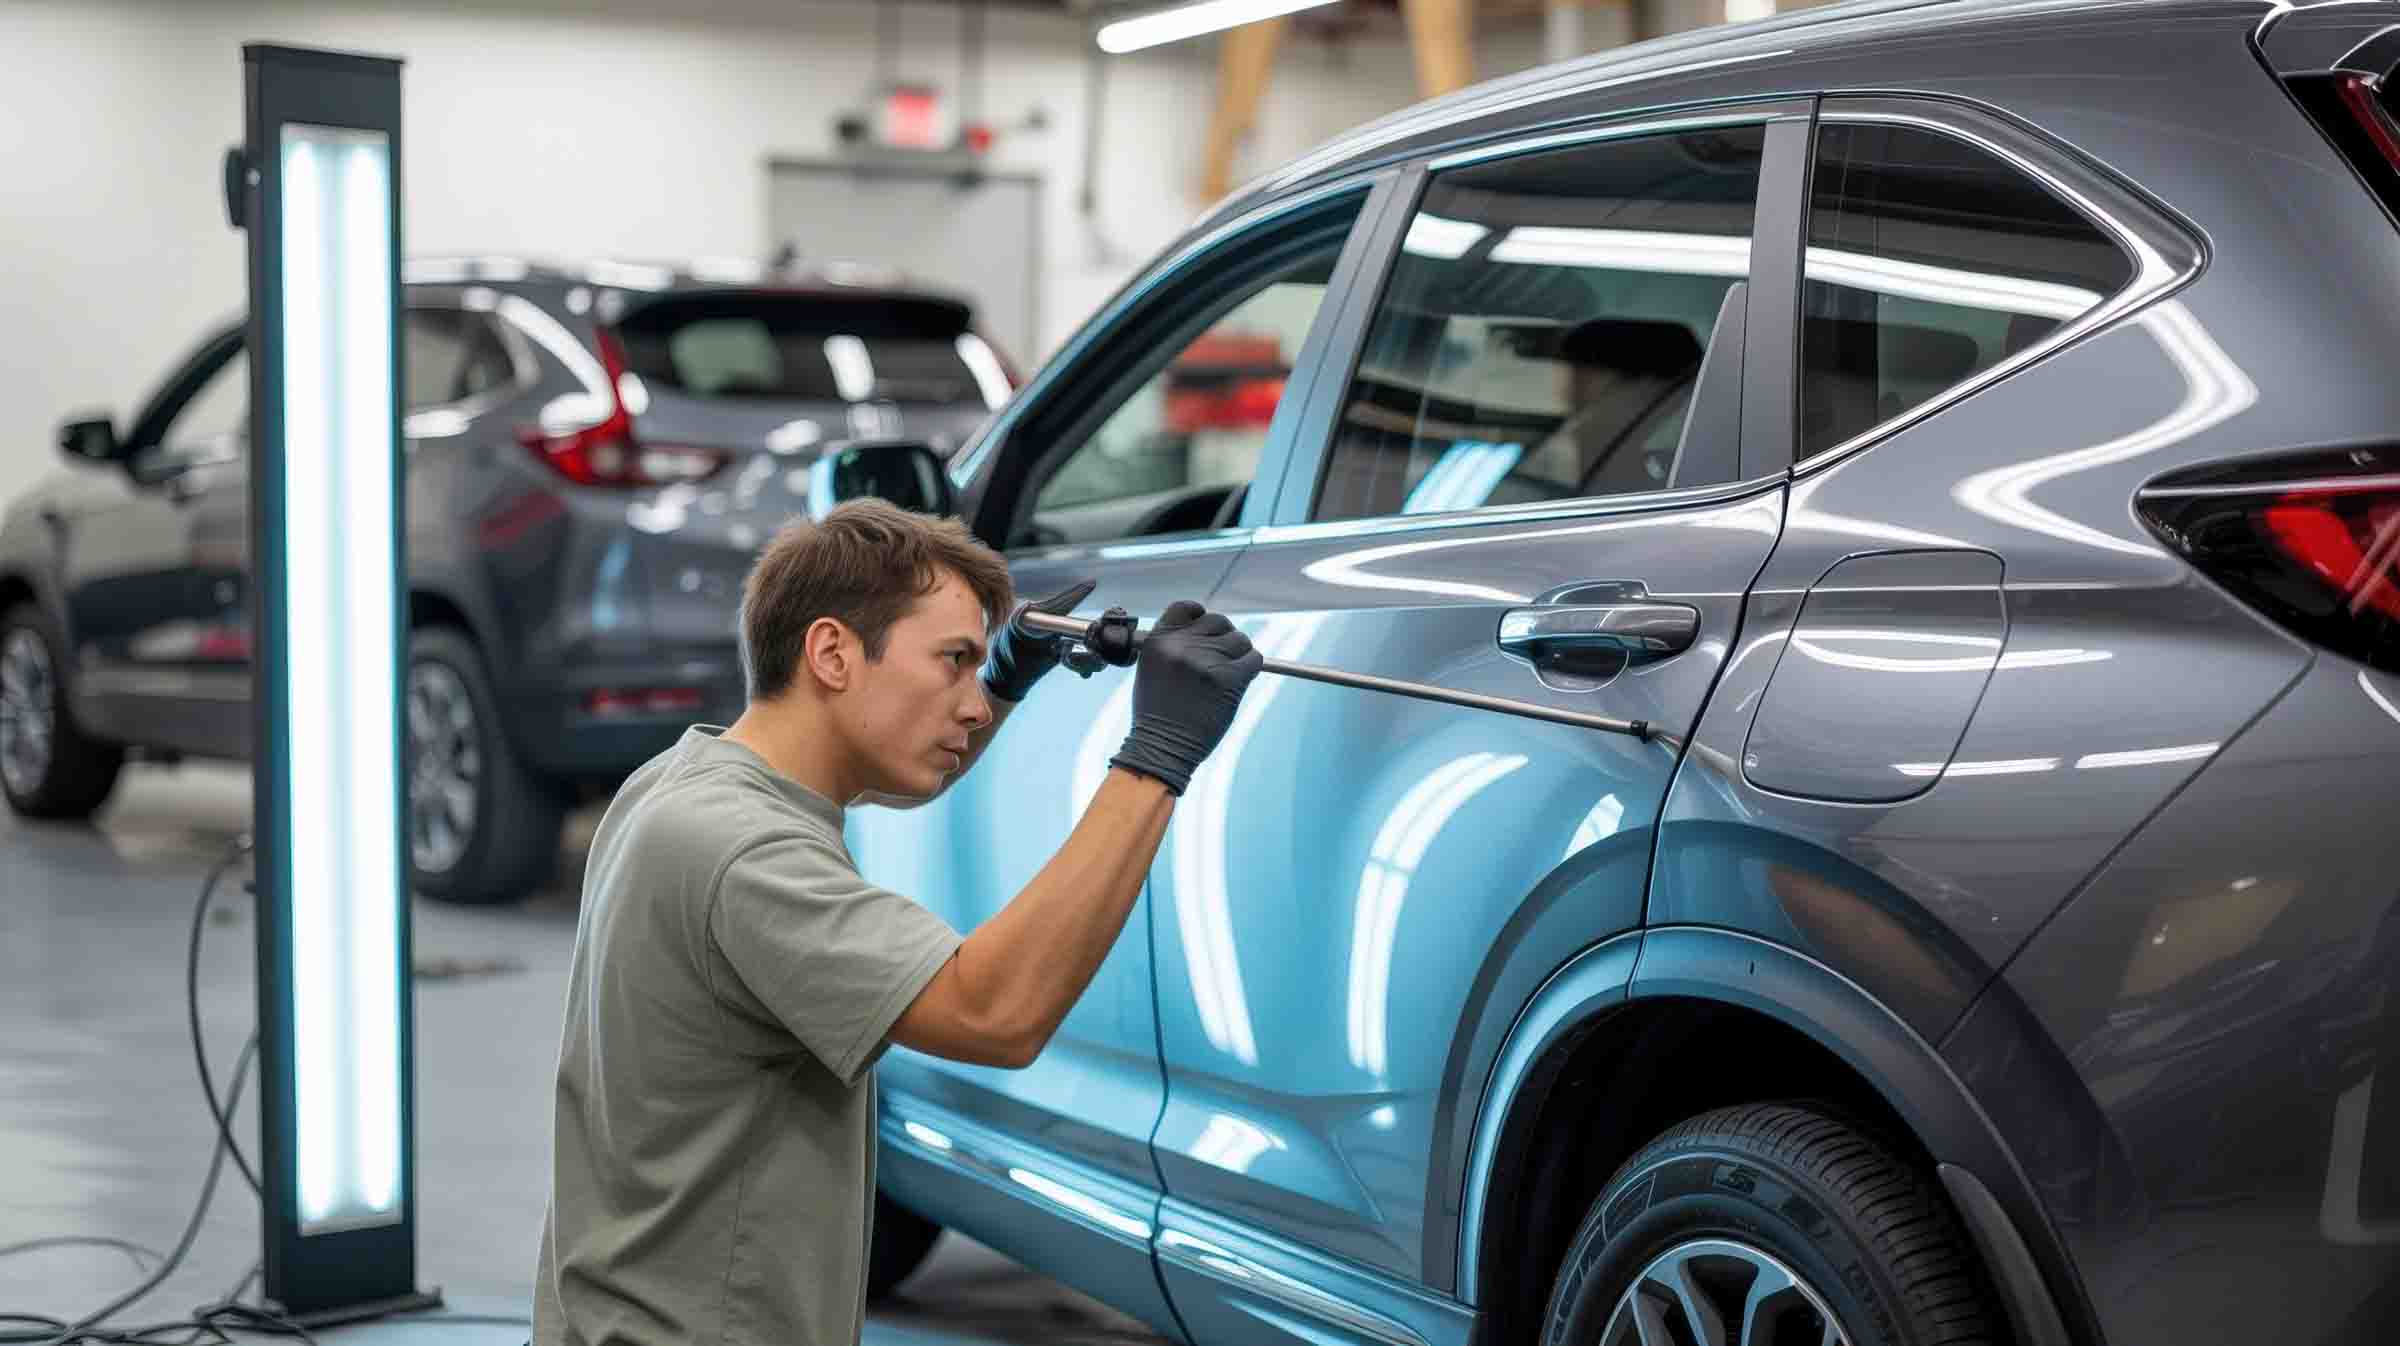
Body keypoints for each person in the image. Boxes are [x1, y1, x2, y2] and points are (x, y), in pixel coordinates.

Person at [531, 499, 1263, 1346]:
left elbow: (894, 771)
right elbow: (992, 1012)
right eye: (951, 661)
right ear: (833, 652)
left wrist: (1003, 677)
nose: (973, 706)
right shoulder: (743, 849)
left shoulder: (683, 780)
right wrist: (1158, 755)